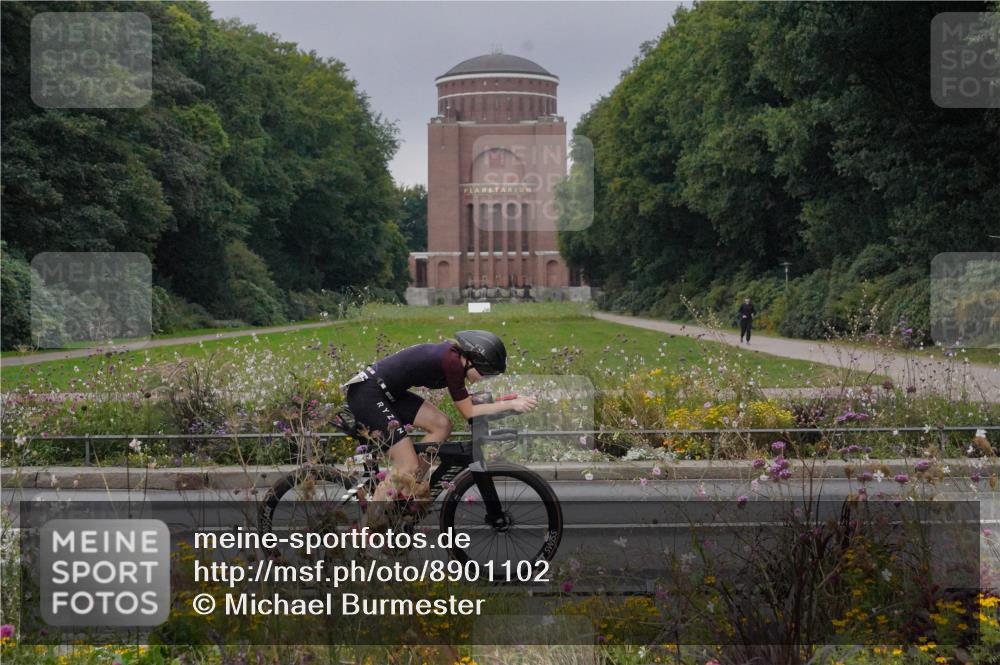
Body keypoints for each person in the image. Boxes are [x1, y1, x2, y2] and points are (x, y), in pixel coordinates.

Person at [340, 330, 537, 503]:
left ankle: (409, 488)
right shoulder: (452, 363)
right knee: (406, 464)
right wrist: (509, 404)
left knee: (442, 425)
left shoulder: (454, 360)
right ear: (472, 360)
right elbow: (468, 411)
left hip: (388, 393)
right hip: (368, 393)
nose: (485, 378)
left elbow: (469, 402)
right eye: (485, 372)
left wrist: (507, 401)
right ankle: (367, 531)